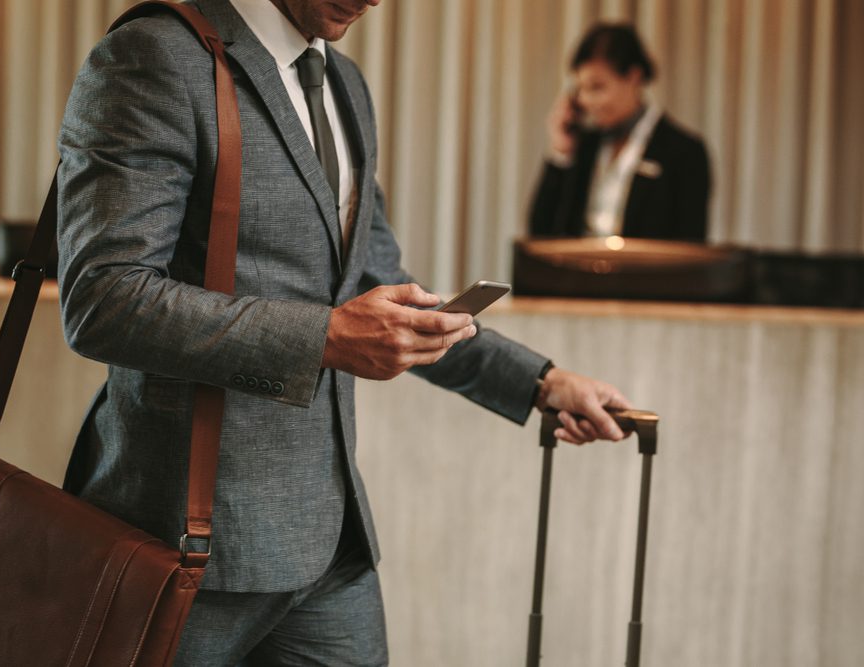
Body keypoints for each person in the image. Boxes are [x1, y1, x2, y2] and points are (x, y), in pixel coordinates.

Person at [57, 0, 632, 664]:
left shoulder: (346, 85)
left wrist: (540, 383)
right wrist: (323, 337)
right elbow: (104, 297)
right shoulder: (155, 55)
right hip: (189, 540)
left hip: (331, 543)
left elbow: (373, 284)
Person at [529, 23, 711, 241]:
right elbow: (540, 234)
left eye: (597, 88)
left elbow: (689, 250)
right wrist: (561, 153)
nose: (586, 101)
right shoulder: (585, 145)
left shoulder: (683, 152)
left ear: (633, 77)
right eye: (580, 90)